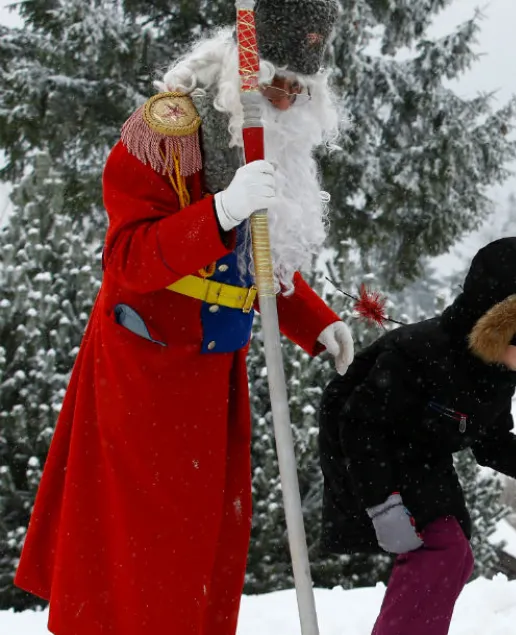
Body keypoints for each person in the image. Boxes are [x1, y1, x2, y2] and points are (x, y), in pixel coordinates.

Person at [13, 3, 353, 635]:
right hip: (145, 371)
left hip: (215, 373)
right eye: (277, 82)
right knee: (145, 546)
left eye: (299, 90)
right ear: (246, 73)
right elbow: (126, 258)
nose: (286, 100)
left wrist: (316, 322)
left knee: (205, 541)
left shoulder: (272, 141)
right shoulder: (166, 130)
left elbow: (258, 260)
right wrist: (220, 210)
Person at [318, 236, 516, 635]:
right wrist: (382, 503)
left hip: (423, 453)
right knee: (441, 549)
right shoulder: (419, 354)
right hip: (366, 453)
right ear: (499, 328)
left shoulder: (498, 370)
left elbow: (492, 442)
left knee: (455, 556)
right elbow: (357, 424)